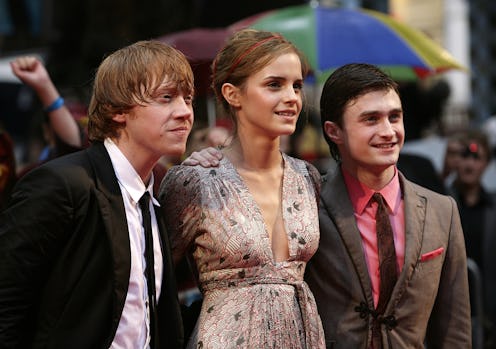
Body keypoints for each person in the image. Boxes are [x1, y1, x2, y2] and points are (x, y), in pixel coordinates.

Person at [185, 63, 472, 348]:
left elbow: (454, 329)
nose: (388, 131)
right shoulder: (304, 204)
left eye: (394, 117)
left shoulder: (441, 211)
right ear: (334, 132)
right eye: (370, 119)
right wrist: (212, 160)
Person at [0, 40, 194, 348]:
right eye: (166, 97)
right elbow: (7, 304)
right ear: (118, 111)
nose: (184, 111)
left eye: (188, 98)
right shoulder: (61, 184)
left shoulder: (155, 199)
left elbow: (149, 315)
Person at [158, 28, 325, 348]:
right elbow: (153, 281)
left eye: (297, 86)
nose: (291, 97)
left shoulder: (308, 177)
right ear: (233, 94)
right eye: (274, 84)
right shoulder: (195, 181)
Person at [446, 129, 496, 349]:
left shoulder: (493, 208)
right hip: (451, 313)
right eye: (465, 156)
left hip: (489, 314)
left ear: (486, 164)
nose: (469, 164)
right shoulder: (442, 204)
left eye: (477, 158)